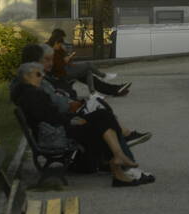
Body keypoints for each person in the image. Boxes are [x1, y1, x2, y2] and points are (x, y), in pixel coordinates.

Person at [12, 63, 155, 187]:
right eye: (38, 74)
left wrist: (75, 117)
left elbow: (50, 115)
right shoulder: (30, 95)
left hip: (58, 128)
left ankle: (118, 157)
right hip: (56, 133)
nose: (42, 76)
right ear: (26, 76)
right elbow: (48, 117)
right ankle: (119, 165)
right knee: (102, 121)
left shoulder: (31, 92)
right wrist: (74, 119)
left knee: (103, 116)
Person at [15, 43, 149, 147]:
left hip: (61, 121)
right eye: (47, 60)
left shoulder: (35, 83)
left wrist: (69, 100)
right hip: (58, 128)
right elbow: (54, 107)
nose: (50, 63)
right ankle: (121, 148)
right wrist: (73, 110)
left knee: (99, 106)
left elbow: (53, 102)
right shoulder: (35, 87)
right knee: (102, 114)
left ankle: (122, 146)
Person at [44, 29, 132, 98]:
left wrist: (68, 58)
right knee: (88, 65)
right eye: (61, 42)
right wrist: (64, 61)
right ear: (56, 40)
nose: (62, 44)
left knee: (88, 72)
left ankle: (106, 91)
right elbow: (54, 66)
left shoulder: (59, 48)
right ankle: (105, 77)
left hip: (68, 69)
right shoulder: (47, 49)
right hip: (61, 73)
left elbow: (65, 60)